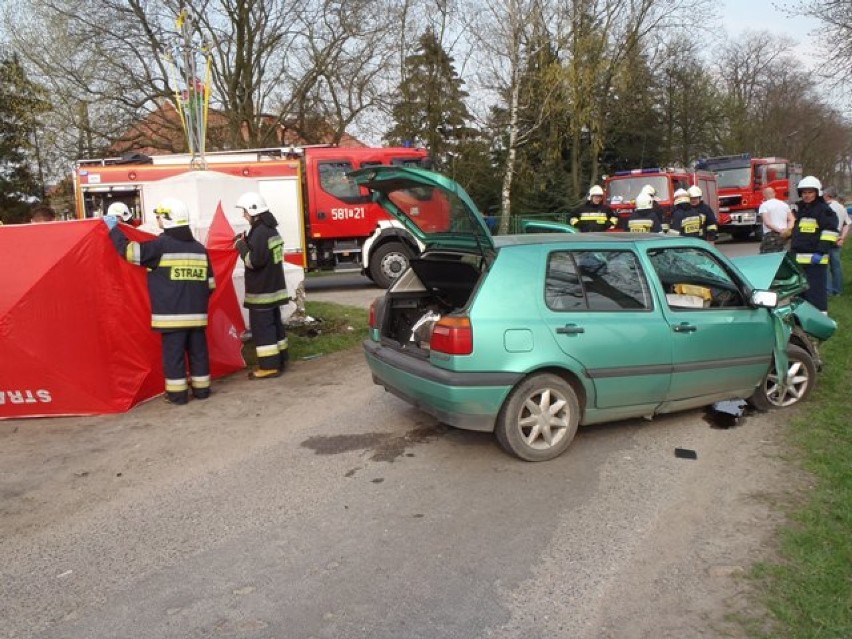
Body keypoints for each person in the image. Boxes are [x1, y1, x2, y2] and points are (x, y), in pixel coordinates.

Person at [106, 197, 215, 405]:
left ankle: (177, 395)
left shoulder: (160, 245)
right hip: (198, 317)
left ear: (168, 219)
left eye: (159, 216)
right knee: (198, 354)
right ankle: (202, 391)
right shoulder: (201, 249)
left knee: (174, 358)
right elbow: (210, 285)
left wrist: (114, 230)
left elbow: (129, 252)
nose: (157, 220)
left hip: (172, 318)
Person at [234, 192, 290, 379]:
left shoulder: (259, 232)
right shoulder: (270, 230)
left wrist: (241, 247)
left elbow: (254, 261)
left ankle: (269, 366)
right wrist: (245, 241)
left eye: (245, 212)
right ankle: (280, 359)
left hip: (262, 292)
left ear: (253, 211)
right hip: (274, 289)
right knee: (275, 326)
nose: (244, 216)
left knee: (263, 329)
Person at [789, 176, 838, 312]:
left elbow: (830, 233)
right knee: (801, 294)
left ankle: (821, 321)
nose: (807, 195)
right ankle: (803, 322)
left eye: (810, 192)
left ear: (817, 193)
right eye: (804, 192)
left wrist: (820, 252)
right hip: (799, 259)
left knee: (816, 293)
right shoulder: (801, 209)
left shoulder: (824, 210)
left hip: (815, 260)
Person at [823, 186, 850, 296]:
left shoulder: (825, 207)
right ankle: (837, 291)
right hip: (837, 238)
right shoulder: (841, 207)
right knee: (836, 266)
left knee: (824, 266)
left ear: (827, 195)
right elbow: (847, 224)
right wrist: (842, 238)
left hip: (825, 238)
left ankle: (828, 291)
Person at [758, 187, 794, 253]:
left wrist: (780, 231)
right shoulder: (784, 204)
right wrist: (787, 229)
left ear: (764, 195)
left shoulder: (764, 205)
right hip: (785, 236)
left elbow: (768, 223)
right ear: (774, 194)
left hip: (771, 236)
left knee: (769, 259)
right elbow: (791, 219)